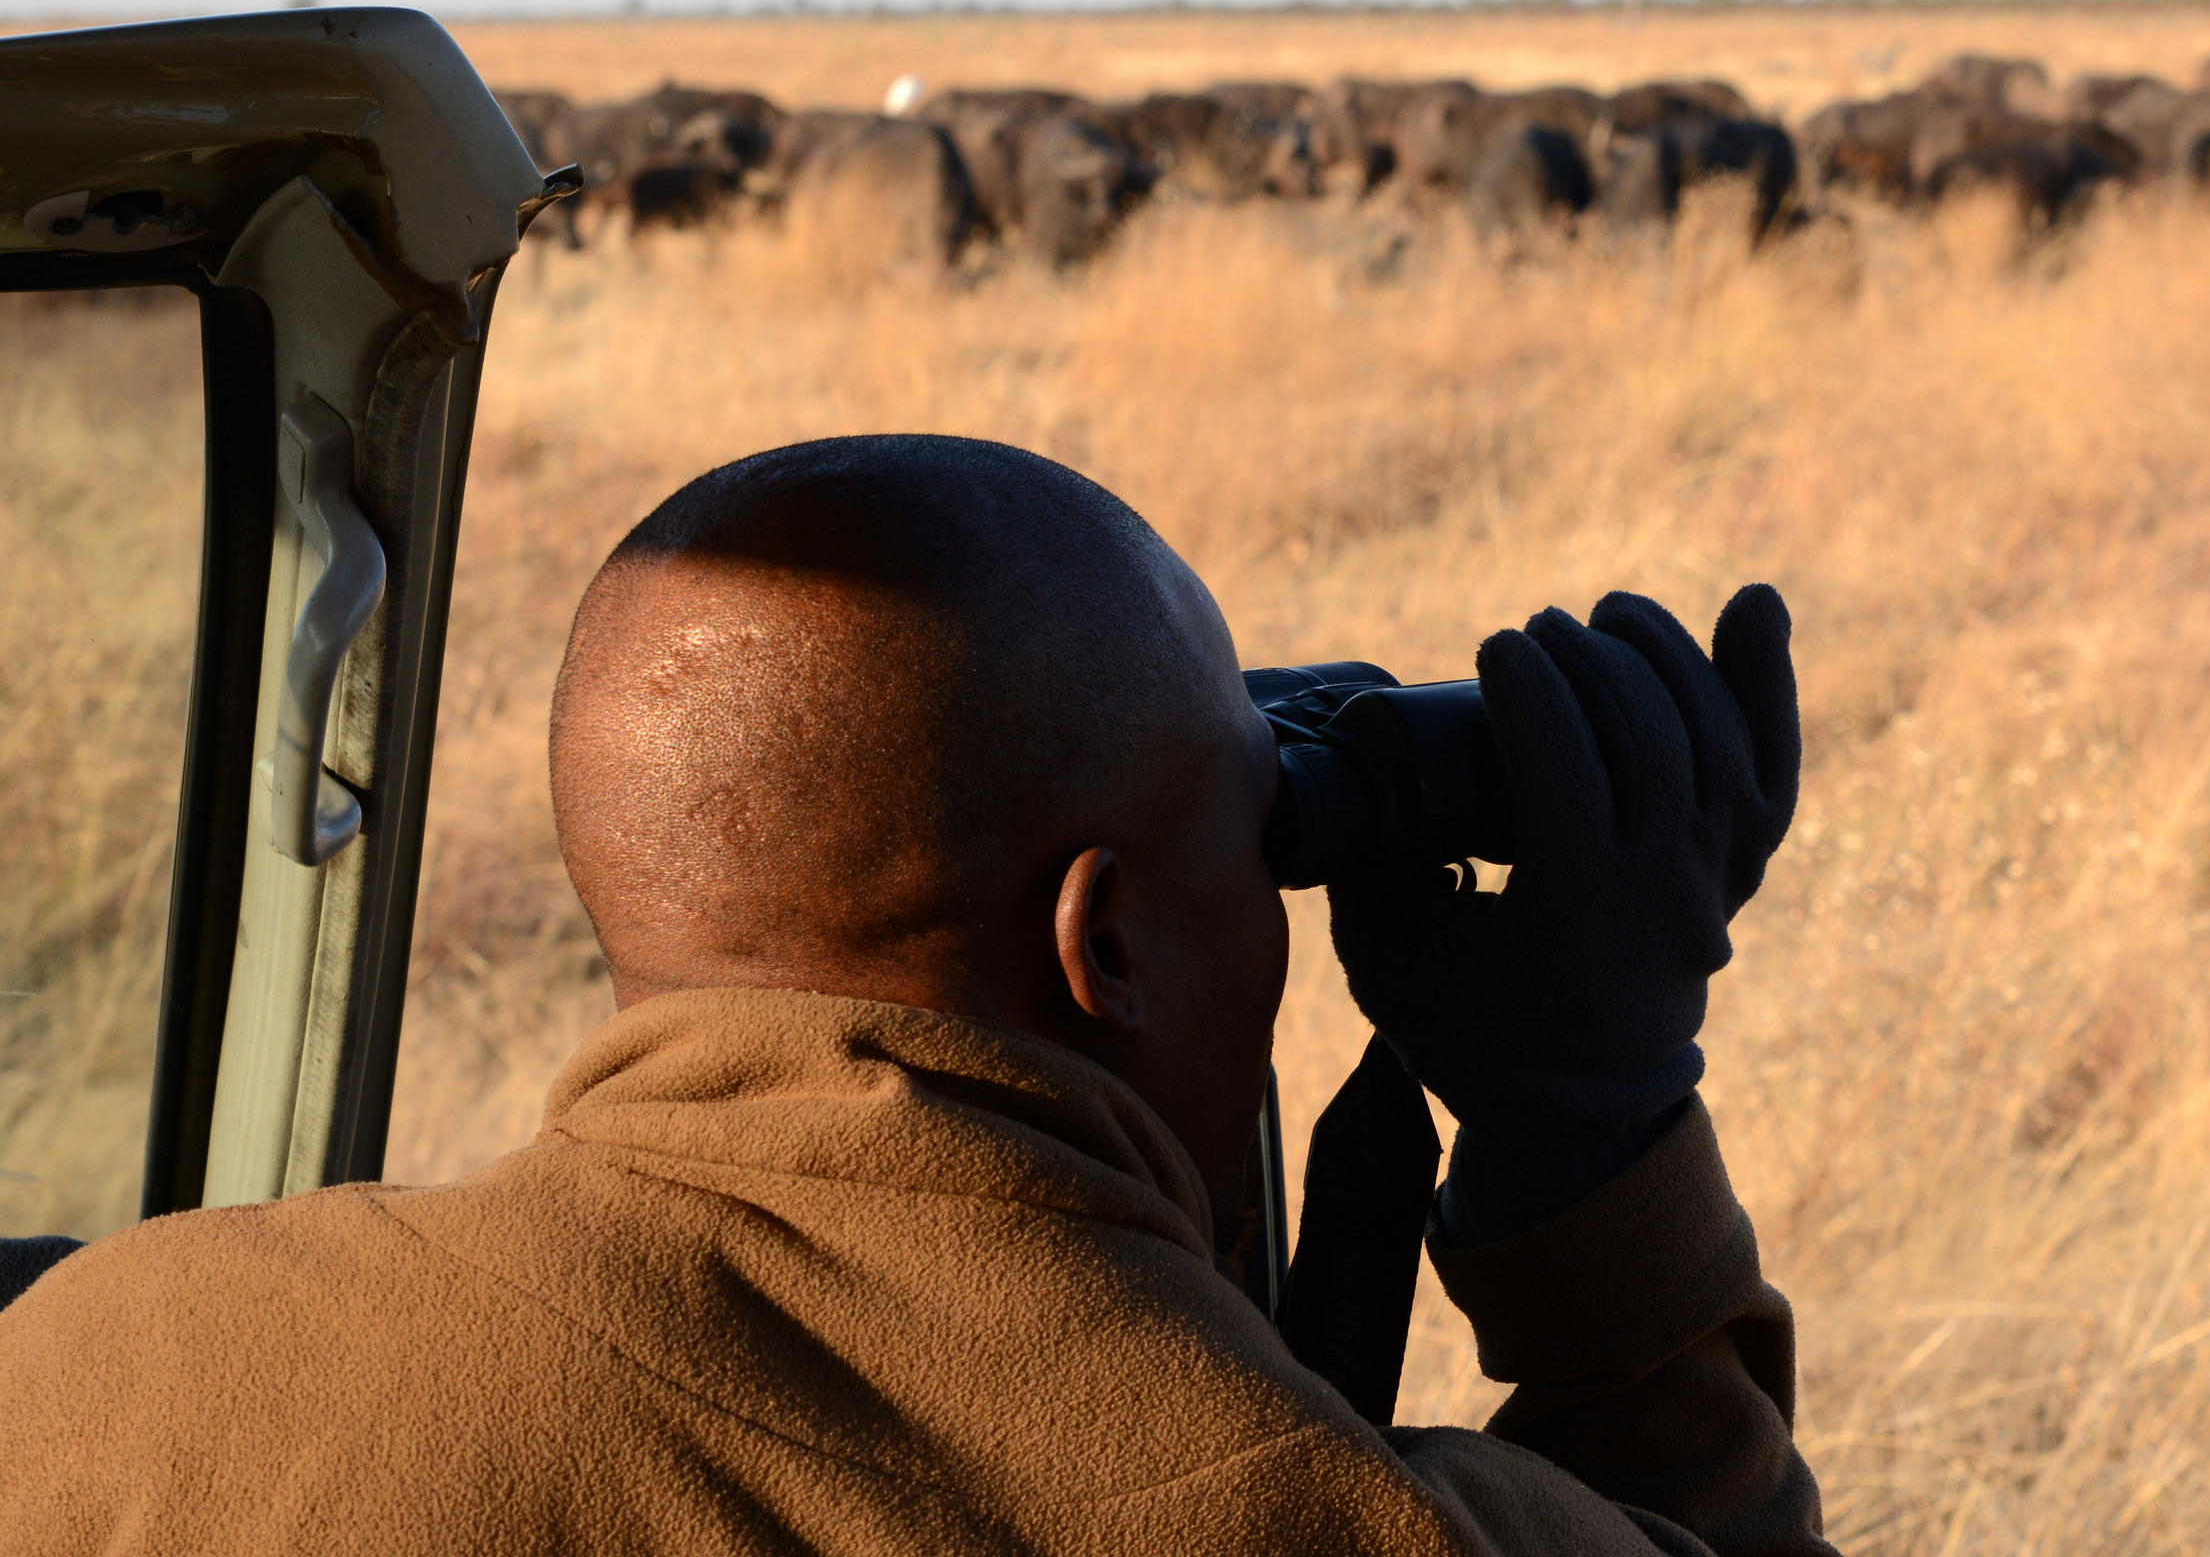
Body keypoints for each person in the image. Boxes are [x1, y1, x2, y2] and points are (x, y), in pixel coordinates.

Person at [0, 434, 1831, 1555]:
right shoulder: (1296, 1514)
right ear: (1102, 945)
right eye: (1257, 843)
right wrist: (1594, 1126)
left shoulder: (107, 1364)